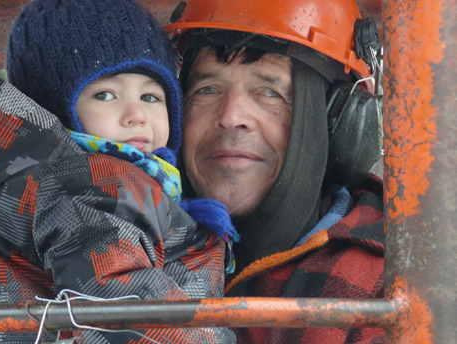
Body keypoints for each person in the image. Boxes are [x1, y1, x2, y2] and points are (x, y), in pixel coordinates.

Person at [0, 0, 237, 343]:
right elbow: (120, 304)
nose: (135, 114)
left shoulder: (53, 181)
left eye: (150, 97)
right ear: (57, 108)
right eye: (105, 94)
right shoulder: (93, 184)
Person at [165, 0, 385, 342]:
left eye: (270, 92)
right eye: (207, 90)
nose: (231, 115)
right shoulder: (132, 241)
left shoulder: (386, 285)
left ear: (337, 124)